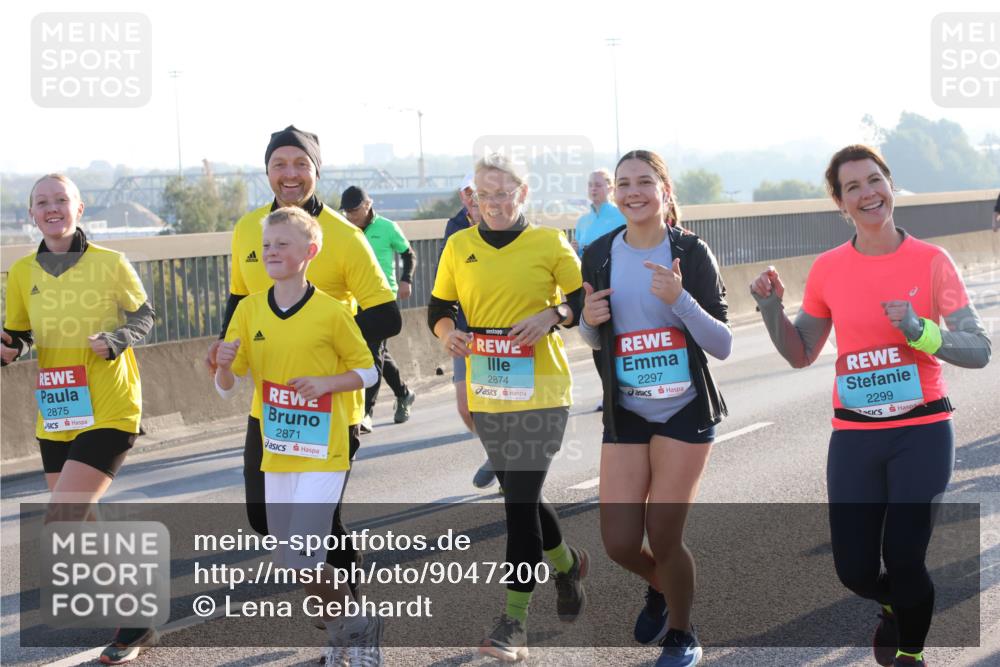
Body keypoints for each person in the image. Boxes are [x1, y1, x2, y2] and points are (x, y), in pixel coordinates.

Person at [750, 144, 991, 667]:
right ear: (841, 203)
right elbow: (801, 352)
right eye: (853, 187)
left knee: (905, 557)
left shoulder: (932, 261)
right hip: (856, 436)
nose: (868, 193)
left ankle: (911, 653)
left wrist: (920, 331)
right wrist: (770, 308)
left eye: (875, 180)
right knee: (855, 571)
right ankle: (891, 603)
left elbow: (978, 349)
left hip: (922, 431)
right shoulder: (828, 269)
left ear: (890, 184)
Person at [204, 125, 399, 664]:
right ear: (267, 171)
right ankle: (347, 619)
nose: (289, 174)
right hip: (271, 406)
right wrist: (226, 351)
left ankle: (350, 630)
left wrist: (323, 343)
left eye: (300, 164)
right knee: (266, 521)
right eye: (279, 164)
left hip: (329, 407)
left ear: (317, 170)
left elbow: (386, 316)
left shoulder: (344, 235)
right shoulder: (250, 229)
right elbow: (240, 301)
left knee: (320, 528)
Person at [429, 153, 589, 661]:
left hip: (543, 392)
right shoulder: (459, 246)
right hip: (490, 392)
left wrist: (552, 315)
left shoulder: (549, 243)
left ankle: (513, 623)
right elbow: (438, 309)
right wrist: (448, 334)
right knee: (524, 497)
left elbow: (582, 301)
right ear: (472, 198)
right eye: (484, 195)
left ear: (523, 193)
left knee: (518, 504)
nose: (494, 204)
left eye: (503, 193)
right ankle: (566, 565)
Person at [580, 150, 731, 667]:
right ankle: (664, 587)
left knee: (665, 535)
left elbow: (722, 344)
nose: (632, 192)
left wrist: (680, 299)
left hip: (684, 410)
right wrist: (587, 320)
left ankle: (683, 634)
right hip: (628, 411)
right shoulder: (599, 252)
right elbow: (595, 337)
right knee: (620, 543)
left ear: (664, 191)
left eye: (644, 182)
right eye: (623, 184)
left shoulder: (690, 250)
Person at [2, 174, 157, 665]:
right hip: (59, 407)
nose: (52, 208)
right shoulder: (21, 271)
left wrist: (115, 340)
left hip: (111, 402)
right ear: (32, 214)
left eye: (61, 200)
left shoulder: (111, 263)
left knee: (64, 514)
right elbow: (19, 334)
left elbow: (144, 316)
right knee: (79, 522)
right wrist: (10, 349)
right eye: (42, 202)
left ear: (79, 208)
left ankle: (134, 621)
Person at [341, 185, 417, 428]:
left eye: (354, 210)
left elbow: (408, 254)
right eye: (346, 211)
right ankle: (404, 393)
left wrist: (406, 280)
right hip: (354, 300)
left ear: (368, 204)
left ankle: (365, 414)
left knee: (372, 353)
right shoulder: (345, 229)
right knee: (378, 352)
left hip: (382, 300)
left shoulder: (387, 227)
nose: (350, 216)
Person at [443, 174, 497, 489]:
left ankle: (510, 466)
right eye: (469, 195)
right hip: (465, 330)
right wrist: (447, 330)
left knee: (503, 406)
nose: (474, 200)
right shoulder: (455, 229)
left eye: (479, 194)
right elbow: (444, 288)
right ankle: (496, 453)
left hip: (503, 336)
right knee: (466, 407)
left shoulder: (517, 231)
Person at [573, 168, 627, 257]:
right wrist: (574, 251)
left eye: (598, 185)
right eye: (590, 185)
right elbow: (578, 255)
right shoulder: (582, 221)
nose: (593, 189)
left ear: (610, 188)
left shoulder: (624, 216)